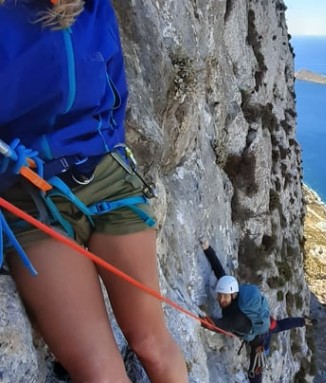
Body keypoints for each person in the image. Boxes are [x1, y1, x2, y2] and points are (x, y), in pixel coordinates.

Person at [0, 1, 188, 382]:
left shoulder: (94, 8)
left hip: (105, 177)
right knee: (102, 375)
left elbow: (115, 86)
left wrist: (108, 145)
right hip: (28, 196)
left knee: (152, 344)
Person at [200, 238, 308, 383]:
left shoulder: (236, 318)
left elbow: (218, 325)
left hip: (260, 344)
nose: (221, 300)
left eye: (224, 296)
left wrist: (198, 316)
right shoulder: (233, 289)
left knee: (255, 375)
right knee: (278, 326)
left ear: (233, 294)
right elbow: (219, 271)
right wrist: (208, 249)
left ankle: (302, 321)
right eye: (219, 295)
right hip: (264, 325)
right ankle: (303, 321)